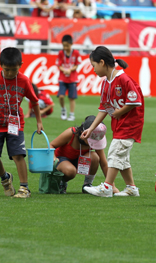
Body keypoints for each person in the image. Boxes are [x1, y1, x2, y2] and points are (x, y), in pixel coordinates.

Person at [0, 47, 44, 199]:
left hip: (15, 125)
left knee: (18, 155)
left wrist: (39, 121)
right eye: (7, 70)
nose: (10, 73)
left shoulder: (24, 80)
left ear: (21, 65)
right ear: (0, 64)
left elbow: (35, 101)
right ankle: (5, 178)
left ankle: (24, 188)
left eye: (14, 70)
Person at [81, 46, 144, 197]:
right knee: (122, 158)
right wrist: (91, 129)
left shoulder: (123, 79)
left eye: (93, 65)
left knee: (115, 154)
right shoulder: (106, 83)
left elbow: (136, 101)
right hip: (119, 125)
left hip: (130, 125)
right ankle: (131, 188)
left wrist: (119, 112)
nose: (93, 70)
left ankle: (107, 187)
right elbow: (103, 108)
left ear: (102, 62)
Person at [50, 115, 119, 194]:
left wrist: (111, 186)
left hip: (78, 160)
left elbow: (103, 163)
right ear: (83, 133)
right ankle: (61, 182)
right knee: (70, 171)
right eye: (92, 140)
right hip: (61, 159)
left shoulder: (96, 138)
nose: (94, 143)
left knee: (95, 157)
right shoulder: (71, 133)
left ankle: (87, 185)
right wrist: (54, 158)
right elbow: (51, 145)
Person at [56, 34, 82, 121]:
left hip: (72, 79)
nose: (65, 47)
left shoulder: (76, 53)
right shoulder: (60, 53)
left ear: (71, 44)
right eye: (64, 45)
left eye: (67, 45)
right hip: (62, 78)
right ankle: (63, 109)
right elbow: (58, 65)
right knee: (61, 96)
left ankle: (71, 114)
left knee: (72, 97)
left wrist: (70, 70)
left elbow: (77, 64)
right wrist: (64, 69)